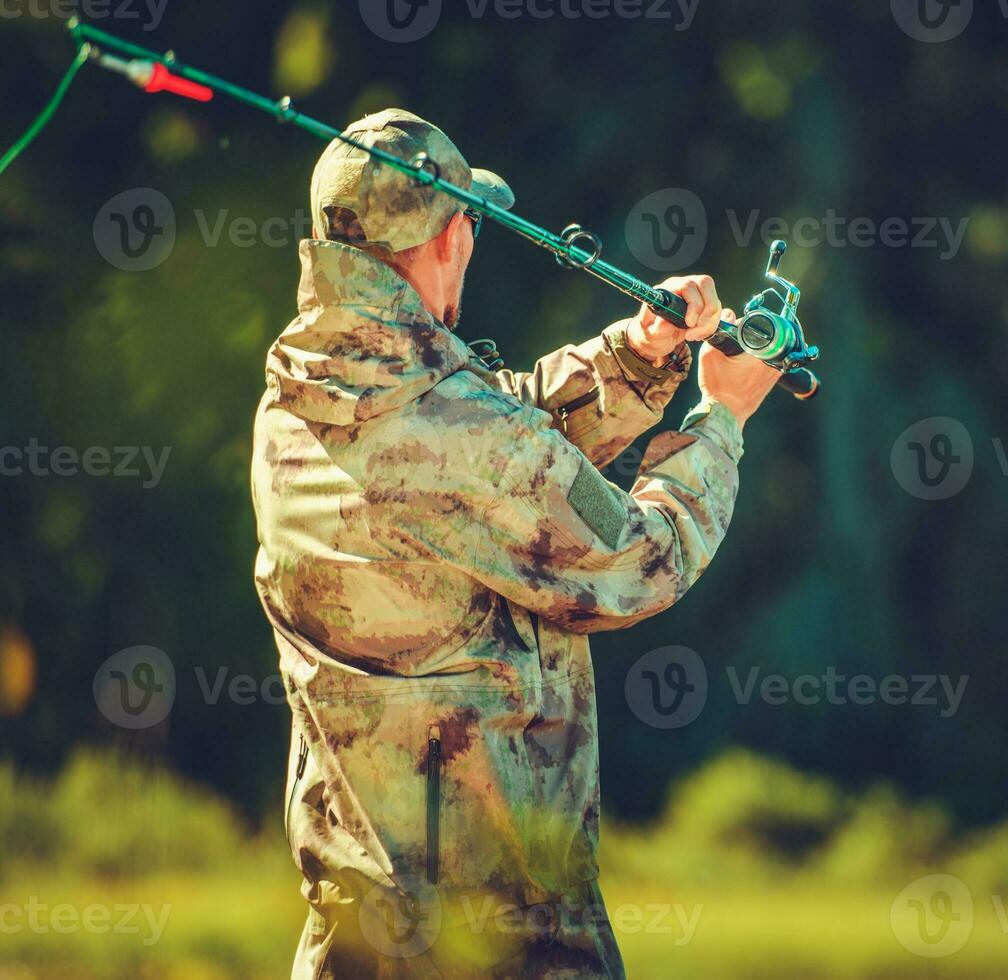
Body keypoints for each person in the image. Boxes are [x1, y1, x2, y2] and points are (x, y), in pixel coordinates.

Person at [250, 108, 779, 979]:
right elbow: (643, 562)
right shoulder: (461, 434)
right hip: (501, 942)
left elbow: (491, 435)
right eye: (471, 224)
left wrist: (639, 357)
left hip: (354, 933)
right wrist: (721, 418)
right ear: (452, 235)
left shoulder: (293, 405)